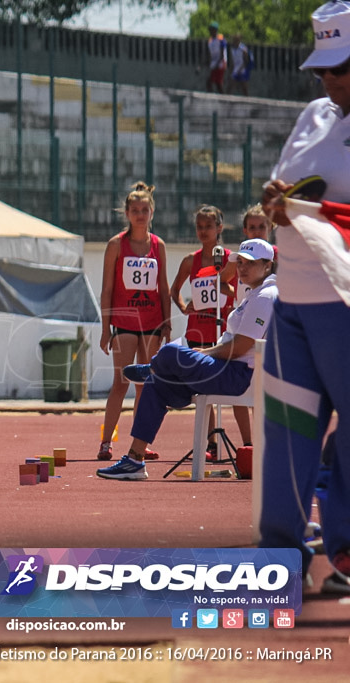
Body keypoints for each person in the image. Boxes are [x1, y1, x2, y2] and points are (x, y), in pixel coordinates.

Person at [258, 0, 350, 595]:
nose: (328, 80)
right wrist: (276, 198)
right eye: (323, 68)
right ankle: (279, 557)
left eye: (340, 68)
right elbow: (283, 181)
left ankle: (343, 548)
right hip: (291, 305)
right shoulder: (315, 113)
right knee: (288, 430)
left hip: (344, 309)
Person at [98, 239, 277, 480]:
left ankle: (152, 367)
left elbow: (241, 347)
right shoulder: (255, 293)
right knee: (156, 383)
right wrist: (205, 352)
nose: (242, 268)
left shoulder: (265, 296)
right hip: (228, 370)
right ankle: (134, 460)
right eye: (241, 262)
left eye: (251, 263)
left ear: (268, 266)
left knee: (172, 353)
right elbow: (234, 346)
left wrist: (203, 353)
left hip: (239, 375)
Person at [97, 182, 171, 462]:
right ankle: (106, 442)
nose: (140, 214)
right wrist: (105, 329)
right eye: (135, 210)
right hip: (124, 323)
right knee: (121, 382)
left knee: (146, 384)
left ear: (152, 212)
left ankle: (139, 444)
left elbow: (163, 288)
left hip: (151, 322)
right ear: (126, 213)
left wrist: (167, 322)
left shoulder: (158, 245)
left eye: (145, 210)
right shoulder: (116, 245)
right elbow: (106, 289)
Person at [169, 205, 249, 453]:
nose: (203, 231)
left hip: (223, 330)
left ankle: (248, 446)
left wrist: (220, 286)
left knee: (235, 392)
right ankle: (211, 443)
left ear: (219, 228)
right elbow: (174, 290)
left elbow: (235, 292)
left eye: (209, 226)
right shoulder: (189, 260)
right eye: (199, 226)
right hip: (198, 331)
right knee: (202, 392)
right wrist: (184, 307)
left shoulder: (231, 260)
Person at [205, 21, 227, 94]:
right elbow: (209, 53)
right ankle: (220, 99)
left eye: (212, 29)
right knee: (216, 84)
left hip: (220, 63)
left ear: (216, 30)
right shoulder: (210, 40)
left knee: (214, 83)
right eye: (210, 29)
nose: (210, 31)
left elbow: (222, 53)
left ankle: (222, 100)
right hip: (214, 63)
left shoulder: (220, 39)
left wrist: (218, 63)